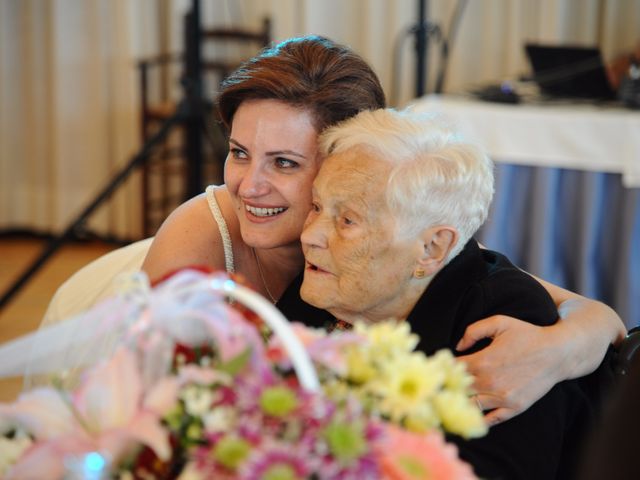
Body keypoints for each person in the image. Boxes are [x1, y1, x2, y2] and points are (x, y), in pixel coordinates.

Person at [140, 35, 625, 425]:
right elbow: (139, 398)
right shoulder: (205, 234)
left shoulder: (398, 237)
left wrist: (555, 351)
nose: (249, 186)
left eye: (284, 163)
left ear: (347, 162)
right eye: (239, 152)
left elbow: (596, 316)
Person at [277, 107, 613, 479]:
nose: (310, 235)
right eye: (318, 206)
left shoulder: (503, 319)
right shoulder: (320, 291)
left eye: (347, 220)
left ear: (432, 248)